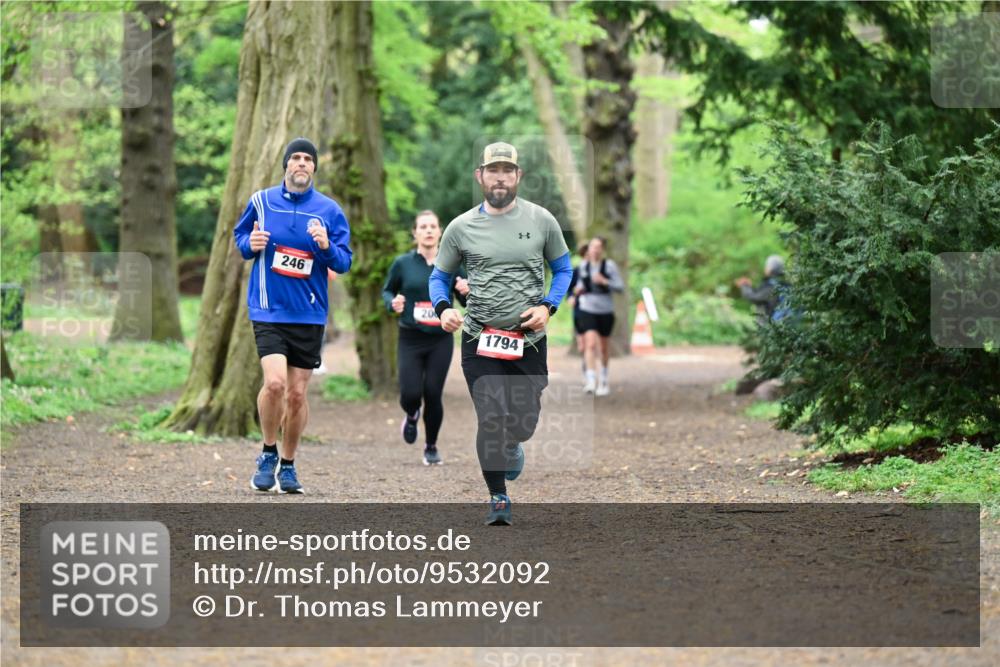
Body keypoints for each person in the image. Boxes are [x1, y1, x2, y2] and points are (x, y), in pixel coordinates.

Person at [429, 142, 573, 525]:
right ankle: (498, 497)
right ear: (480, 176)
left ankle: (513, 444)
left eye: (507, 170)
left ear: (518, 176)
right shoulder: (460, 227)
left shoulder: (542, 220)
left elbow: (564, 270)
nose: (500, 177)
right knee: (490, 418)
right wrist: (444, 310)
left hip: (528, 341)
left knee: (523, 423)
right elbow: (439, 277)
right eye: (493, 170)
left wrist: (547, 307)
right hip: (480, 338)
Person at [233, 137, 352, 494]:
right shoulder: (261, 201)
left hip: (309, 313)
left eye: (307, 159)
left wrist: (326, 246)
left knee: (297, 395)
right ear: (285, 164)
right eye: (295, 158)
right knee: (274, 384)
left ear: (314, 167)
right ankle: (268, 451)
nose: (301, 163)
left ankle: (288, 464)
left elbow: (344, 262)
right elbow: (241, 239)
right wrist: (248, 245)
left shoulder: (329, 211)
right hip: (268, 308)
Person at [382, 210, 469, 466]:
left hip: (440, 338)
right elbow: (387, 291)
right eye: (423, 226)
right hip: (410, 337)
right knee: (410, 393)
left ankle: (431, 446)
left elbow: (466, 300)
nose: (429, 230)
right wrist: (392, 303)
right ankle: (411, 414)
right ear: (415, 232)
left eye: (433, 226)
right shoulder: (402, 264)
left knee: (433, 392)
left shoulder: (452, 264)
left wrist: (466, 290)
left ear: (440, 231)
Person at [573, 237, 624, 396]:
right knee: (590, 345)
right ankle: (590, 381)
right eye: (592, 247)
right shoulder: (583, 266)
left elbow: (620, 287)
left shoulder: (609, 266)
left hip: (605, 311)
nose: (594, 250)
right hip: (587, 309)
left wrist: (605, 281)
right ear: (588, 250)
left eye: (598, 247)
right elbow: (579, 285)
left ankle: (603, 379)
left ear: (602, 249)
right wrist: (577, 290)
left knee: (603, 347)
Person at [735, 255, 788, 325]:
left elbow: (754, 297)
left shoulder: (771, 286)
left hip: (774, 329)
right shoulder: (785, 285)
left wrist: (744, 285)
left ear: (770, 269)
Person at [565, 243, 590, 384]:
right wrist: (571, 298)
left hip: (595, 311)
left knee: (592, 343)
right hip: (580, 310)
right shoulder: (577, 271)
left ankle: (593, 374)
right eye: (585, 256)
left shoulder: (599, 270)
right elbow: (569, 291)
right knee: (583, 345)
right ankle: (587, 371)